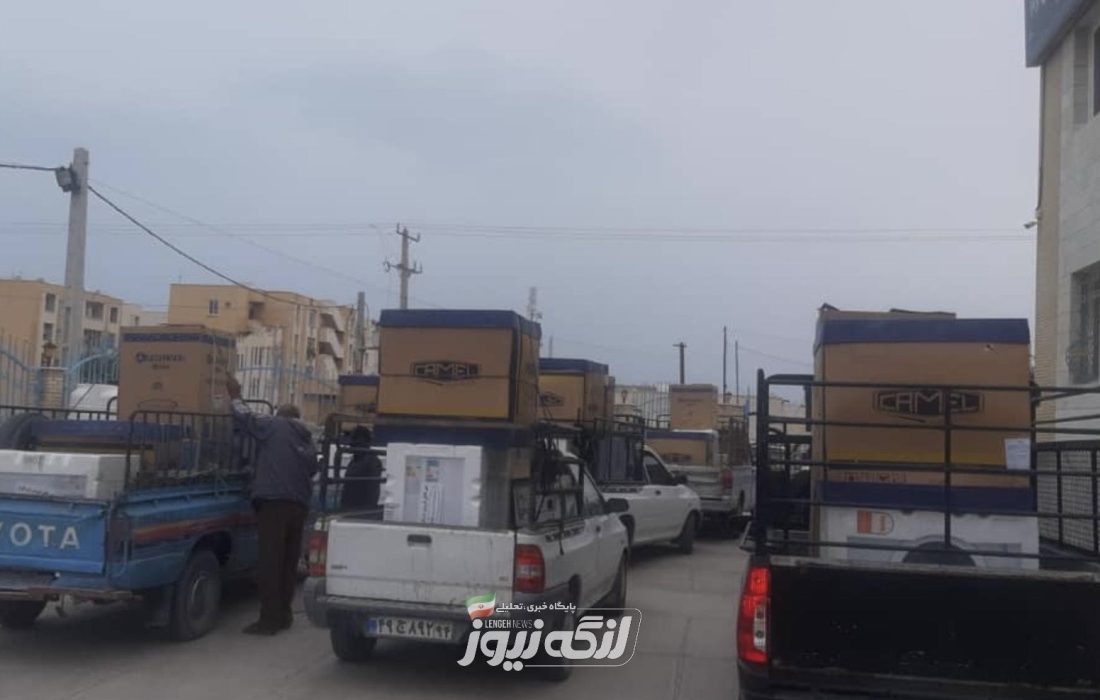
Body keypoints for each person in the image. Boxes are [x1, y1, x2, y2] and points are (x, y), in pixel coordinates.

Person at [227, 375, 318, 636]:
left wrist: (235, 396)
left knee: (270, 562)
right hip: (299, 506)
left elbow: (246, 418)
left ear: (280, 416)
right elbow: (312, 470)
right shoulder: (307, 439)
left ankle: (268, 621)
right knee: (288, 563)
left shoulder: (275, 426)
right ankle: (284, 615)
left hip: (274, 504)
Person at [340, 426, 383, 517]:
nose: (350, 444)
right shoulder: (355, 460)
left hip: (360, 512)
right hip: (348, 510)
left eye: (354, 440)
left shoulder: (372, 461)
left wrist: (366, 513)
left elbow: (372, 491)